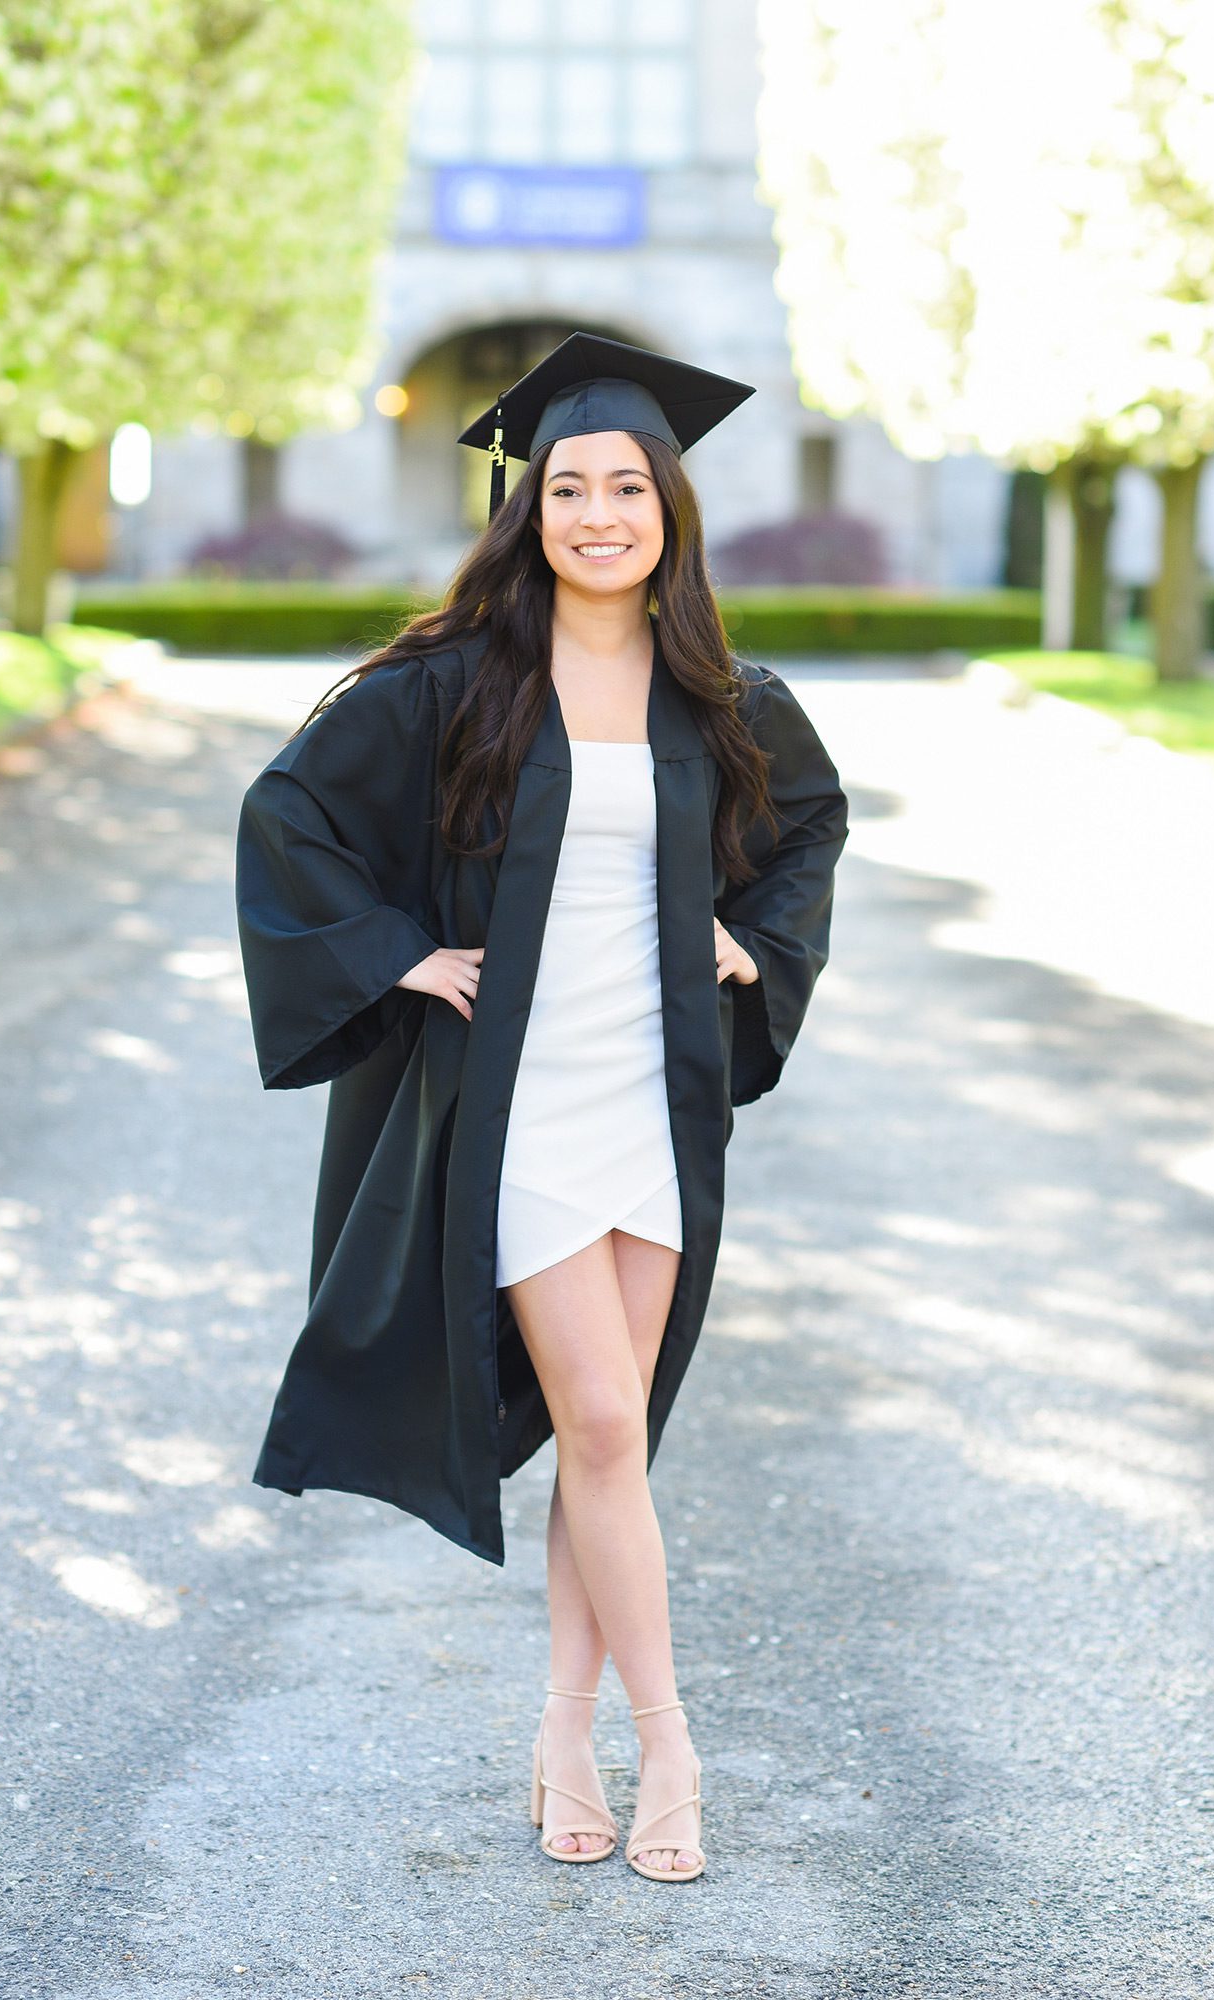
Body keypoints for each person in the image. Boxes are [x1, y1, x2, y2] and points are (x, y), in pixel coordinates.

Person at [235, 331, 850, 1883]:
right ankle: (672, 1746)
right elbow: (289, 813)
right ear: (530, 512)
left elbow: (809, 835)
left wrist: (750, 949)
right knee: (595, 1417)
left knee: (610, 1438)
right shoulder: (454, 684)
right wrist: (398, 956)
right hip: (525, 1104)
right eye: (566, 487)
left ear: (668, 512)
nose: (596, 513)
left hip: (656, 1091)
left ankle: (561, 1734)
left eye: (626, 487)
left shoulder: (721, 698)